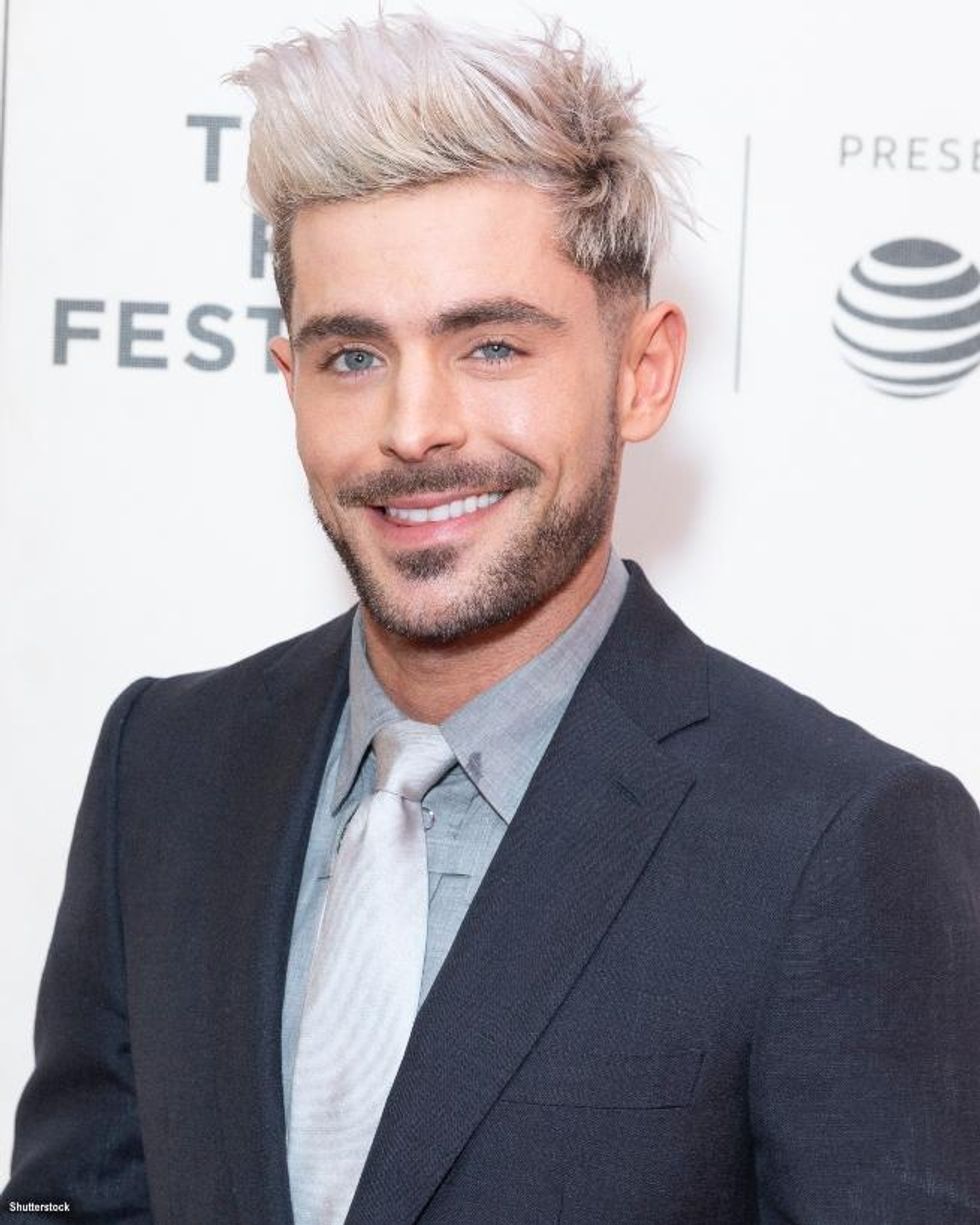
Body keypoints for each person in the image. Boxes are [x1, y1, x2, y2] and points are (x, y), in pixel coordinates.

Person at [5, 12, 979, 1224]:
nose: (414, 427)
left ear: (641, 373)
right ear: (290, 379)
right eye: (352, 357)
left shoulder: (839, 839)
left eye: (493, 346)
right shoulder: (164, 765)